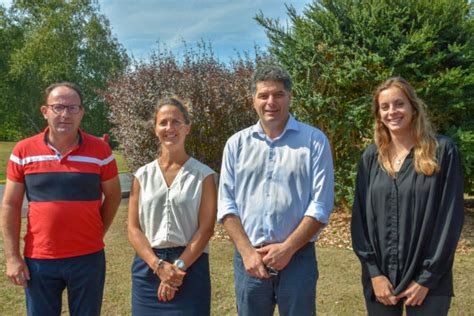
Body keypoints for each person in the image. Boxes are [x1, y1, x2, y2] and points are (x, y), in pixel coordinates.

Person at [217, 64, 334, 316]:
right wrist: (247, 252)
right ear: (253, 100)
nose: (271, 102)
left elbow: (321, 204)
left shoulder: (314, 141)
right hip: (249, 259)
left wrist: (288, 247)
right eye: (263, 95)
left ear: (289, 97)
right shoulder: (236, 145)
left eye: (278, 94)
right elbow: (226, 204)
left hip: (297, 260)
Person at [1, 82, 122, 315]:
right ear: (45, 111)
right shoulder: (23, 151)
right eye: (58, 107)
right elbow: (10, 205)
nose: (65, 114)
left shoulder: (101, 151)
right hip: (40, 259)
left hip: (88, 258)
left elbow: (114, 196)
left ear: (82, 113)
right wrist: (12, 257)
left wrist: (97, 232)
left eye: (72, 108)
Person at [351, 77, 464, 315]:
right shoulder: (371, 157)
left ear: (413, 107)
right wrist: (374, 273)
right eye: (385, 106)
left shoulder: (442, 151)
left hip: (428, 282)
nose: (392, 111)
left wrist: (427, 278)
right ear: (378, 114)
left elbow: (450, 219)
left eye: (399, 104)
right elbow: (359, 219)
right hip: (381, 280)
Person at [128, 96, 217, 315]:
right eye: (163, 122)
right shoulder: (142, 175)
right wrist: (158, 266)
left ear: (187, 127)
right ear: (155, 128)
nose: (170, 128)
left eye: (176, 122)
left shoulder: (203, 176)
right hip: (148, 268)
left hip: (189, 267)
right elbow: (133, 228)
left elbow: (206, 229)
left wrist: (176, 270)